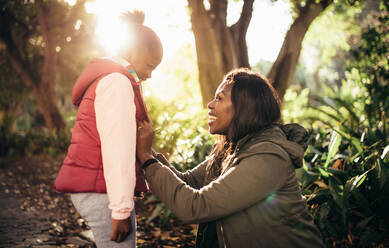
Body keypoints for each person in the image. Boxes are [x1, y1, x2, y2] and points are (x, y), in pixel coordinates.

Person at [136, 68, 325, 247]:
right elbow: (189, 181)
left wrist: (147, 159)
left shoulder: (267, 157)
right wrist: (148, 152)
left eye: (219, 98)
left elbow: (196, 206)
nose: (209, 105)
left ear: (244, 108)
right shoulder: (233, 148)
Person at [54, 10, 163, 247]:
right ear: (133, 52)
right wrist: (121, 211)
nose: (151, 74)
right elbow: (117, 150)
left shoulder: (113, 78)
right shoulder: (117, 83)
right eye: (151, 65)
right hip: (99, 188)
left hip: (97, 186)